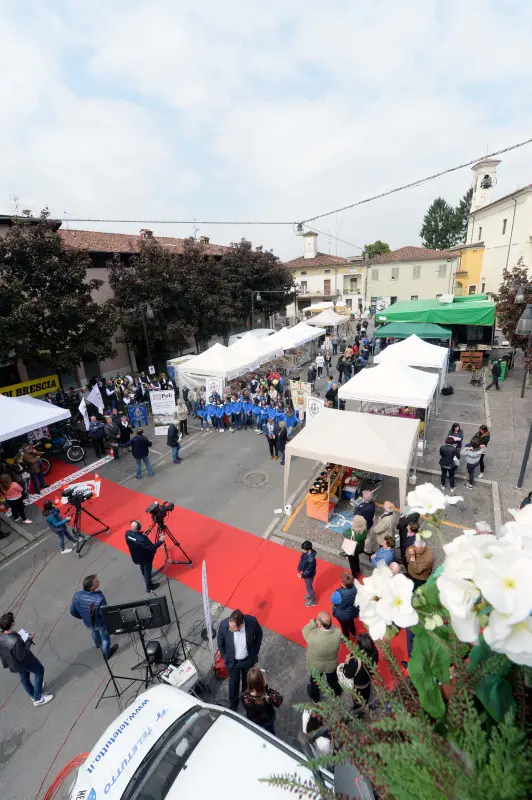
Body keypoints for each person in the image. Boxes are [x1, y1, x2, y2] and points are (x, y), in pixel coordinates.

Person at [0, 612, 54, 707]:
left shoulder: (1, 637)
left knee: (24, 678)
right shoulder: (15, 641)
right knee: (39, 671)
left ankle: (33, 694)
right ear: (12, 623)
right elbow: (22, 655)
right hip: (24, 661)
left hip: (14, 663)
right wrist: (29, 640)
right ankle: (38, 699)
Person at [217, 609, 263, 711]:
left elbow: (259, 634)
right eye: (230, 626)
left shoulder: (252, 622)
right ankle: (233, 702)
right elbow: (220, 642)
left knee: (247, 682)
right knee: (233, 683)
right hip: (233, 663)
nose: (229, 629)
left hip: (248, 661)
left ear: (241, 625)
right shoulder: (224, 625)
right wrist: (225, 656)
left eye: (232, 628)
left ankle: (245, 698)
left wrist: (255, 651)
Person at [70, 574, 118, 660]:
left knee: (94, 631)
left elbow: (72, 611)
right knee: (105, 639)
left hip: (88, 622)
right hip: (100, 623)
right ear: (91, 587)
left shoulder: (77, 595)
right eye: (96, 581)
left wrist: (82, 617)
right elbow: (104, 614)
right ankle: (107, 654)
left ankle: (97, 644)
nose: (99, 582)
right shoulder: (100, 598)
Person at [302, 611, 342, 703]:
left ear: (319, 624)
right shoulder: (338, 632)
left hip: (317, 665)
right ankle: (337, 692)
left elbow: (304, 630)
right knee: (332, 679)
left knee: (315, 682)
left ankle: (315, 697)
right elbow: (333, 629)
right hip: (331, 664)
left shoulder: (313, 637)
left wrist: (313, 623)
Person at [337, 632, 378, 711]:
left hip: (359, 683)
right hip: (368, 678)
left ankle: (359, 708)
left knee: (358, 697)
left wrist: (347, 661)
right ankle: (366, 700)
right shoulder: (374, 652)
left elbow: (348, 674)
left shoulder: (356, 661)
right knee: (366, 691)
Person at [241, 667, 283, 735]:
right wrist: (265, 687)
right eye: (263, 676)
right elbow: (279, 700)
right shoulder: (267, 696)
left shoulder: (244, 696)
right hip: (267, 720)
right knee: (271, 733)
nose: (265, 676)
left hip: (253, 721)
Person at [125, 520, 164, 592]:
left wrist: (141, 535)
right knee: (147, 570)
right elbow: (152, 547)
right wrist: (161, 540)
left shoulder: (127, 533)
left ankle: (145, 575)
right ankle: (149, 587)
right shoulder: (143, 540)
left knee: (142, 567)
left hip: (136, 557)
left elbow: (136, 540)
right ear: (139, 527)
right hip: (146, 559)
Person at [330, 573, 358, 639]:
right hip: (352, 611)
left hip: (342, 615)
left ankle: (346, 637)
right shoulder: (356, 588)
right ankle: (353, 633)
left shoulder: (338, 593)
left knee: (344, 627)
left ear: (343, 583)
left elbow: (332, 600)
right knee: (351, 622)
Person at [297, 540, 317, 607]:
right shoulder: (305, 553)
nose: (302, 551)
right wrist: (299, 570)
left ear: (308, 550)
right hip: (305, 574)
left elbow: (309, 571)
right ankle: (310, 595)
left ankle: (313, 601)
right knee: (307, 585)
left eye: (304, 550)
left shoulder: (311, 560)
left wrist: (302, 575)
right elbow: (301, 561)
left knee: (309, 587)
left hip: (309, 575)